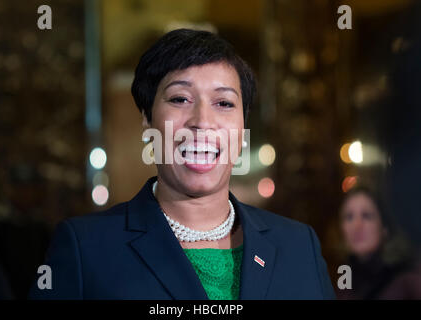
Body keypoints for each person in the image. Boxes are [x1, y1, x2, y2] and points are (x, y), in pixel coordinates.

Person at [29, 28, 335, 300]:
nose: (202, 122)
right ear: (148, 120)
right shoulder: (87, 248)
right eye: (180, 99)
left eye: (224, 103)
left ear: (243, 128)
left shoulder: (298, 246)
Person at [336, 186, 421, 299]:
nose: (356, 225)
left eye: (367, 216)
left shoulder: (408, 280)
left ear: (384, 227)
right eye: (349, 217)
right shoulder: (344, 279)